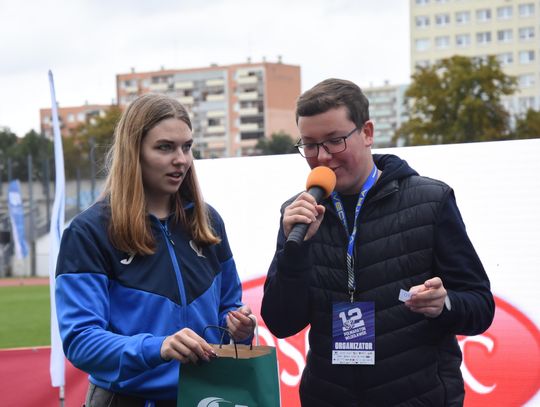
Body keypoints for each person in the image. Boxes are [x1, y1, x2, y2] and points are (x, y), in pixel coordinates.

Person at [261, 78, 495, 406]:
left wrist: (445, 304)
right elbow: (281, 323)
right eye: (310, 145)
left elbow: (480, 306)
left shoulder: (431, 200)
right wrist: (295, 253)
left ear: (367, 133)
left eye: (335, 141)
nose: (322, 157)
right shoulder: (299, 213)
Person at [55, 93, 255, 406]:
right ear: (133, 151)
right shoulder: (89, 231)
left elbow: (229, 309)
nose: (181, 159)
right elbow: (81, 341)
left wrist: (240, 330)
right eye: (165, 147)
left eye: (186, 147)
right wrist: (157, 348)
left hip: (205, 395)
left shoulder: (207, 221)